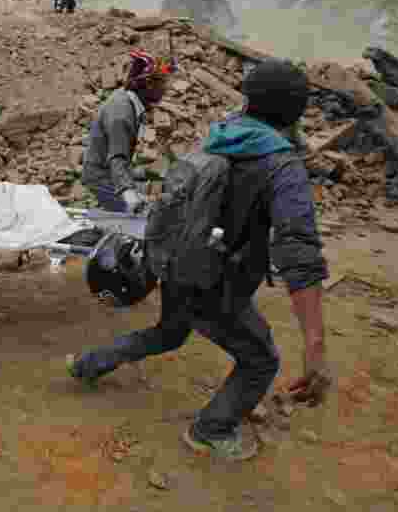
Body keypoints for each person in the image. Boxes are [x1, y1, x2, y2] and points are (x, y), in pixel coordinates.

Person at [67, 60, 331, 461]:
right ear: (297, 112)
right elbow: (300, 254)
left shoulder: (223, 135)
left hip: (176, 265)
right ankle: (211, 430)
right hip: (215, 283)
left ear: (249, 100)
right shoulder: (282, 166)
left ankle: (88, 364)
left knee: (169, 333)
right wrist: (315, 345)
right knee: (260, 361)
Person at [81, 50, 173, 213]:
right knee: (144, 214)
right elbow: (117, 157)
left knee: (154, 196)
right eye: (162, 84)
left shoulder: (127, 101)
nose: (165, 89)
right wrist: (128, 192)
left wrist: (142, 174)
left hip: (108, 173)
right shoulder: (122, 114)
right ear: (148, 84)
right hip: (102, 178)